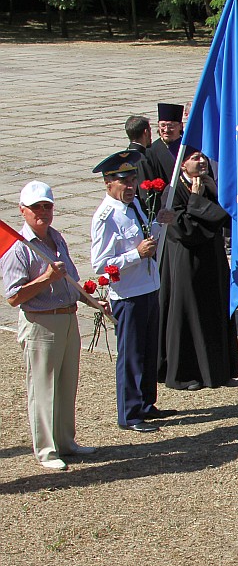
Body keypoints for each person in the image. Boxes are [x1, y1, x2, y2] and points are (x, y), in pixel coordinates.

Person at [3, 181, 102, 469]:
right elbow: (13, 297)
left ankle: (66, 441)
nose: (42, 212)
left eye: (47, 206)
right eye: (36, 207)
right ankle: (46, 450)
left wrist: (91, 301)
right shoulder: (19, 249)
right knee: (43, 388)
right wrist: (45, 279)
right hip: (41, 323)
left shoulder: (57, 239)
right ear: (23, 211)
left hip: (67, 317)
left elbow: (70, 281)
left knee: (66, 384)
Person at [90, 151, 172, 433]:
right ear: (108, 183)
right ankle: (130, 412)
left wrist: (160, 224)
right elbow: (101, 265)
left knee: (149, 350)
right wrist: (134, 255)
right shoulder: (106, 217)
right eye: (123, 180)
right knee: (132, 354)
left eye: (133, 179)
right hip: (127, 293)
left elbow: (147, 239)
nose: (130, 185)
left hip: (148, 286)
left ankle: (146, 403)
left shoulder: (135, 205)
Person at [158, 148, 238, 391]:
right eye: (195, 158)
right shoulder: (172, 192)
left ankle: (217, 369)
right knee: (189, 313)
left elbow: (225, 216)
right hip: (186, 261)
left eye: (203, 157)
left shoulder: (210, 185)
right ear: (182, 165)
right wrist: (196, 201)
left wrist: (204, 200)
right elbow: (184, 229)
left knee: (214, 310)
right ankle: (188, 372)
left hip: (212, 259)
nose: (202, 161)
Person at [141, 103, 184, 191]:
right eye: (163, 125)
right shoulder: (151, 151)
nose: (166, 130)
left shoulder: (188, 148)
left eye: (171, 126)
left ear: (180, 126)